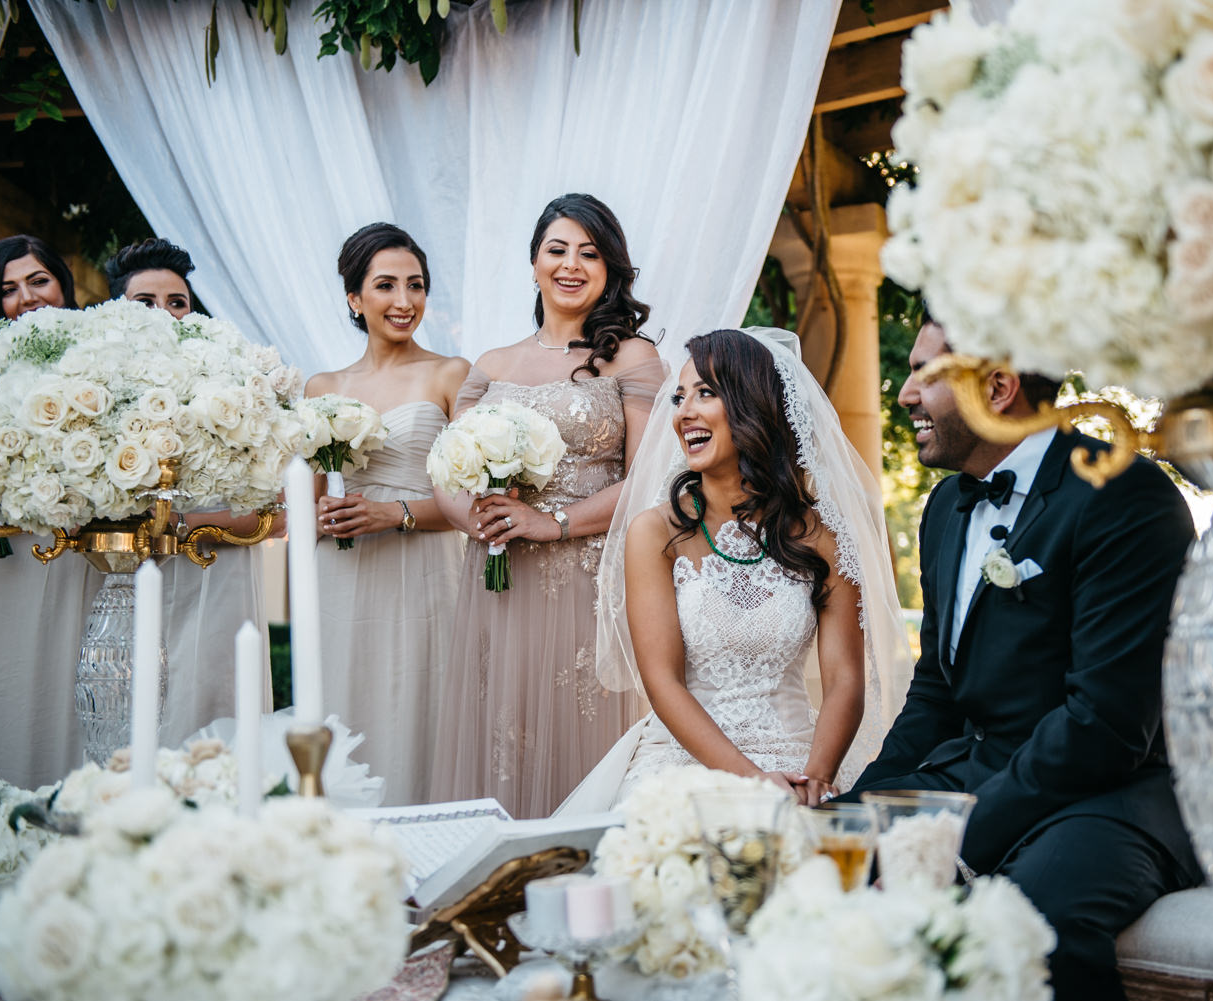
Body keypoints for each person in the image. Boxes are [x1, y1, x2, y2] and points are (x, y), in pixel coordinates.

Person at [840, 319, 1201, 1000]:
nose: (906, 394)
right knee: (820, 860)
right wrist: (857, 813)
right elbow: (935, 694)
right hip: (982, 771)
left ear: (998, 388)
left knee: (1031, 919)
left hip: (1116, 792)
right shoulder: (945, 507)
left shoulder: (1125, 495)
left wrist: (957, 842)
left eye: (925, 374)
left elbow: (1105, 725)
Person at [556, 328, 910, 815]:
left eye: (705, 393)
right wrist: (755, 783)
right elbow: (663, 682)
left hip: (800, 762)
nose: (683, 413)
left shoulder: (824, 537)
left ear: (754, 405)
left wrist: (815, 779)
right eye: (679, 397)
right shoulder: (654, 532)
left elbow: (846, 679)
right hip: (684, 763)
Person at [429, 194, 665, 817]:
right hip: (499, 580)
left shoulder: (632, 358)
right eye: (557, 250)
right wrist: (474, 519)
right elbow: (446, 469)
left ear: (611, 269)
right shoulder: (491, 364)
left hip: (588, 578)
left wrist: (552, 523)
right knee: (505, 738)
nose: (571, 265)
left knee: (580, 738)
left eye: (590, 253)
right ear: (534, 262)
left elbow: (648, 479)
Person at [306, 223, 469, 806]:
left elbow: (471, 503)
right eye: (386, 286)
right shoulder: (322, 387)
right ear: (354, 297)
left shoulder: (450, 374)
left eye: (416, 285)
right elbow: (301, 504)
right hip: (343, 574)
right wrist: (322, 514)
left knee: (419, 701)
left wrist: (392, 513)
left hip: (425, 568)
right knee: (344, 698)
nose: (404, 301)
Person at [104, 237, 277, 743]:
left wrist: (180, 525)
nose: (163, 314)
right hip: (124, 584)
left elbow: (276, 513)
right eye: (145, 302)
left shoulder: (237, 385)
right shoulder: (95, 388)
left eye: (176, 302)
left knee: (214, 729)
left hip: (218, 581)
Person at [0, 235, 101, 786]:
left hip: (80, 546)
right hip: (5, 549)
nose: (27, 298)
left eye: (38, 280)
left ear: (63, 282)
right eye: (8, 289)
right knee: (7, 671)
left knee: (69, 675)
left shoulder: (99, 355)